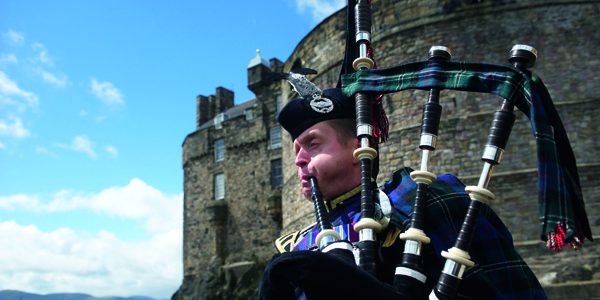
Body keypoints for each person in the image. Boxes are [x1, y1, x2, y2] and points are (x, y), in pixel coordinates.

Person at [259, 88, 547, 299]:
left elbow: (513, 290)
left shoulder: (419, 198)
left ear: (360, 149)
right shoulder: (296, 246)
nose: (299, 160)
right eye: (296, 150)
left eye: (312, 144)